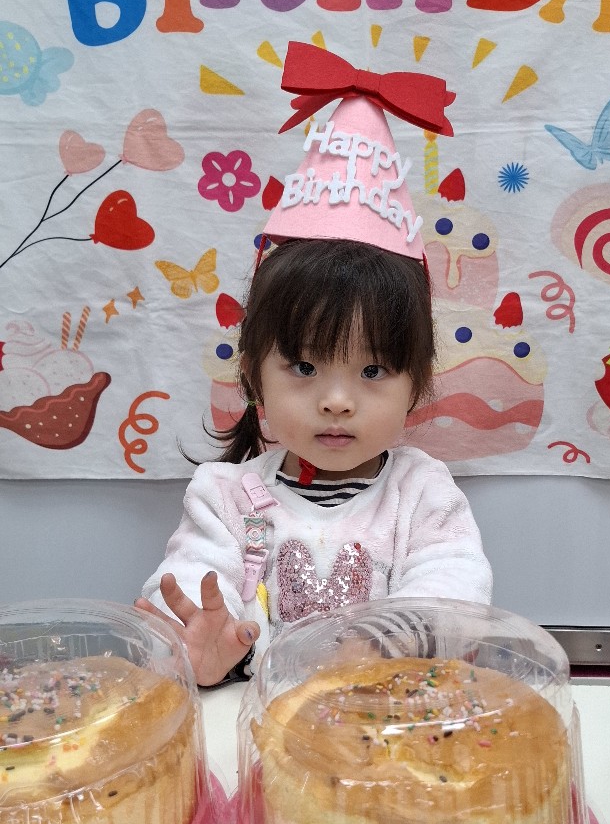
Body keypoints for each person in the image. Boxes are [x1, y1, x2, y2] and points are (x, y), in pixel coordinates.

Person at [137, 44, 492, 686]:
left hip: (383, 725)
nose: (336, 400)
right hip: (259, 731)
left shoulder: (422, 495)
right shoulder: (226, 499)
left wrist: (382, 645)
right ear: (254, 377)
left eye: (372, 372)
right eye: (304, 367)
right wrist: (200, 646)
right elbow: (192, 586)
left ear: (417, 384)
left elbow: (455, 590)